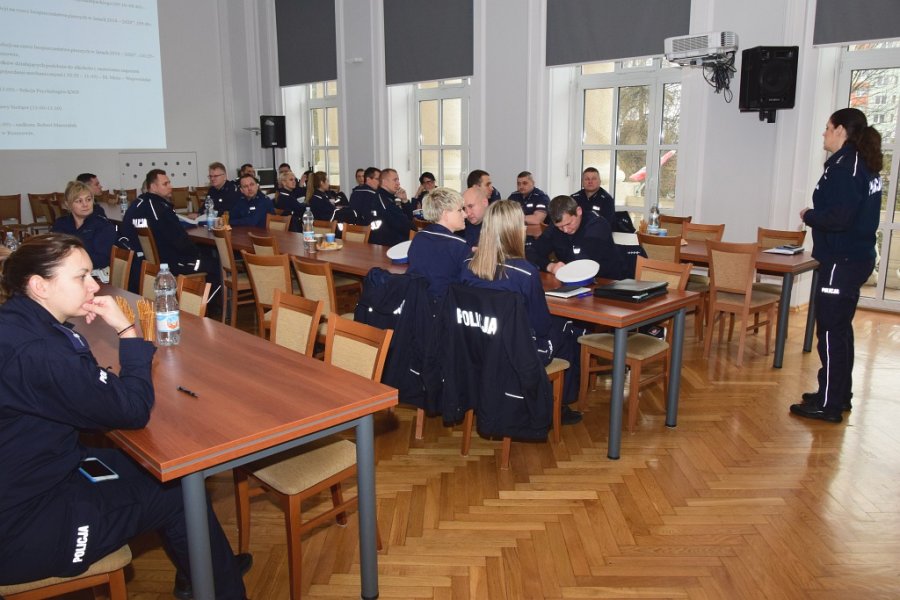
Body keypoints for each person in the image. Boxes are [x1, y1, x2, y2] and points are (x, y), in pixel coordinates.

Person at [0, 233, 249, 598]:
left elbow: (79, 386)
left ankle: (205, 571)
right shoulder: (42, 353)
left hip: (33, 478)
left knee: (160, 472)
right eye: (81, 277)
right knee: (180, 493)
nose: (94, 285)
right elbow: (132, 410)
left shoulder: (16, 322)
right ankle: (218, 586)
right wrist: (128, 331)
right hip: (25, 529)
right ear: (40, 286)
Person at [791, 108, 882, 423]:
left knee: (830, 331)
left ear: (841, 130)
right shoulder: (862, 163)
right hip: (854, 258)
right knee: (840, 329)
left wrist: (809, 215)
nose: (824, 134)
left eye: (828, 128)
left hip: (841, 261)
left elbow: (839, 219)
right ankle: (838, 394)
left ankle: (828, 405)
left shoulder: (846, 168)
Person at [461, 201, 582, 424]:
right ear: (514, 230)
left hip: (477, 346)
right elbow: (541, 326)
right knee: (567, 329)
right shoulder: (524, 273)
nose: (525, 228)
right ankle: (557, 406)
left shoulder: (468, 264)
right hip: (517, 353)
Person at [119, 169, 217, 283]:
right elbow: (180, 241)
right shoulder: (161, 209)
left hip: (143, 263)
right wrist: (198, 253)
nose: (170, 186)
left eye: (169, 183)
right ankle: (201, 295)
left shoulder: (137, 204)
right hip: (169, 264)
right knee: (215, 265)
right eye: (165, 184)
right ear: (153, 187)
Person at [526, 195, 626, 280]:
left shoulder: (597, 225)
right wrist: (550, 266)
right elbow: (531, 252)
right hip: (573, 281)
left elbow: (582, 264)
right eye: (560, 226)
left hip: (607, 281)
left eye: (569, 223)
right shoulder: (555, 228)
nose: (565, 230)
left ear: (578, 211)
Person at [407, 187, 469, 299]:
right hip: (445, 304)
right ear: (445, 214)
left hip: (417, 301)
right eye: (460, 210)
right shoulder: (459, 246)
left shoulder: (419, 238)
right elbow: (467, 283)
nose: (465, 214)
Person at [51, 181, 116, 270]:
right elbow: (52, 251)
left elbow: (101, 260)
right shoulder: (60, 224)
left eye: (88, 199)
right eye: (79, 201)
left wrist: (68, 258)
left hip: (94, 273)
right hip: (64, 270)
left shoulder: (104, 226)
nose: (85, 204)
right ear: (68, 204)